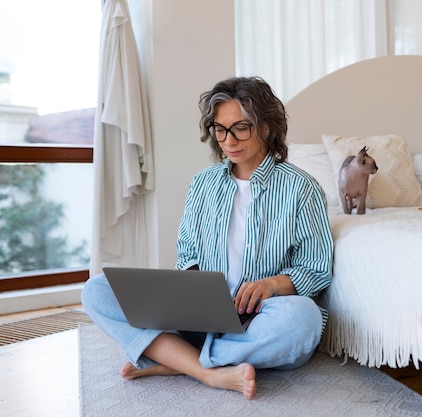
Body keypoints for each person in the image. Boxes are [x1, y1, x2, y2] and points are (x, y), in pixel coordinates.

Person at [81, 76, 334, 400]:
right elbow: (187, 252)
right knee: (97, 291)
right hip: (201, 313)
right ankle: (209, 370)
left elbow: (316, 268)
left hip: (261, 317)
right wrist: (191, 291)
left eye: (241, 127)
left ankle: (177, 361)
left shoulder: (301, 188)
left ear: (267, 127)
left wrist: (271, 285)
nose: (229, 140)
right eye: (220, 129)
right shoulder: (203, 183)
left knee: (304, 320)